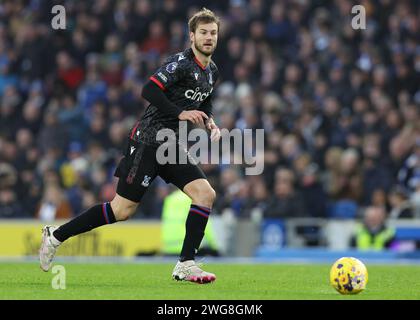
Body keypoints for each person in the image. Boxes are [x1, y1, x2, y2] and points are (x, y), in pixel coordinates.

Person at [39, 8, 222, 284]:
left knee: (205, 194)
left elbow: (204, 103)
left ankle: (185, 263)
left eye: (213, 33)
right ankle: (55, 236)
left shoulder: (212, 72)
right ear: (192, 36)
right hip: (148, 139)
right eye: (204, 33)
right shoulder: (180, 63)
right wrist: (180, 113)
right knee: (121, 210)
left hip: (170, 146)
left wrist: (210, 123)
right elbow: (148, 90)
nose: (209, 38)